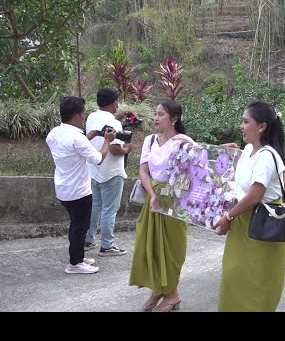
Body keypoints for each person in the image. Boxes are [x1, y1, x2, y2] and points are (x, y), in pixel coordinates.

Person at [214, 101, 285, 312]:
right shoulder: (248, 150)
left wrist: (228, 217)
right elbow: (239, 181)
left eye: (246, 122)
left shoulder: (267, 156)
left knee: (254, 282)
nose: (242, 126)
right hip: (243, 219)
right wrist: (228, 154)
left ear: (262, 126)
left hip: (261, 224)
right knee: (235, 277)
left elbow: (255, 196)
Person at [129, 100, 195, 312]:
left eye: (160, 114)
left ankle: (172, 293)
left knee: (173, 249)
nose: (155, 118)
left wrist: (188, 142)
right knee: (150, 247)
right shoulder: (149, 141)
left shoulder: (183, 142)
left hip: (174, 201)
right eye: (155, 114)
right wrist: (153, 195)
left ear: (174, 118)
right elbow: (143, 172)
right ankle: (158, 290)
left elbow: (196, 169)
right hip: (154, 199)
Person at [46, 96, 116, 274]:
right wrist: (107, 141)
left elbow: (70, 148)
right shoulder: (77, 139)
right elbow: (98, 159)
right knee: (80, 227)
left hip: (63, 189)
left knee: (75, 224)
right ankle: (75, 263)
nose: (85, 117)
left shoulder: (53, 133)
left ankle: (78, 256)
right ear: (77, 115)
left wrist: (88, 137)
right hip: (79, 192)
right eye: (83, 114)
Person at [83, 88, 132, 257]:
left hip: (94, 171)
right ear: (113, 103)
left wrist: (117, 118)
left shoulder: (91, 117)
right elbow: (114, 149)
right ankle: (107, 245)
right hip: (112, 172)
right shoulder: (115, 125)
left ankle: (88, 240)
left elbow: (103, 130)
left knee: (95, 207)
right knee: (110, 210)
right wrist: (127, 149)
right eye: (117, 101)